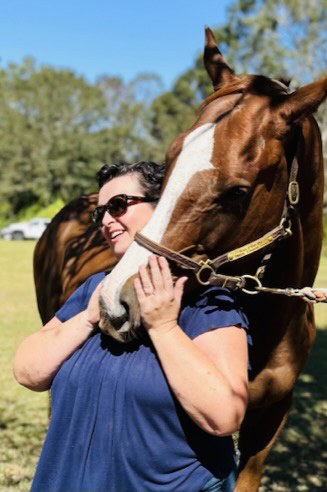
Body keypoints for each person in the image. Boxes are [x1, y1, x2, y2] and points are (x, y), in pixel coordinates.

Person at [13, 160, 250, 492]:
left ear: (165, 206)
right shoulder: (95, 288)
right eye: (100, 214)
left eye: (118, 206)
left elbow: (224, 416)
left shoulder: (208, 303)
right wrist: (87, 317)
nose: (107, 220)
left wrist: (164, 327)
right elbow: (27, 372)